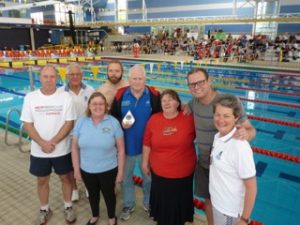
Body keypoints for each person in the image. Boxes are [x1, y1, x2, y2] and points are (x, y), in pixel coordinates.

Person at [185, 68, 256, 225]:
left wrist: (245, 134)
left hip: (225, 167)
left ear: (209, 81)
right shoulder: (193, 103)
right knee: (209, 202)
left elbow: (251, 129)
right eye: (192, 85)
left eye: (200, 82)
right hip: (204, 163)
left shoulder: (228, 101)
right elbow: (184, 108)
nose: (196, 87)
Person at [20, 65, 77, 225]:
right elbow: (27, 124)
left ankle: (68, 206)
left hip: (62, 149)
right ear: (40, 78)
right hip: (39, 151)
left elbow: (69, 122)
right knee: (42, 180)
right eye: (46, 76)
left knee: (66, 178)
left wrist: (53, 142)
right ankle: (44, 209)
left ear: (57, 78)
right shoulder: (30, 98)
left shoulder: (65, 97)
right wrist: (42, 143)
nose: (49, 80)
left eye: (52, 77)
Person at [110, 64, 161, 221]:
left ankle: (148, 203)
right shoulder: (120, 95)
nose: (137, 81)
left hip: (148, 149)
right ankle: (129, 204)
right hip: (126, 148)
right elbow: (112, 118)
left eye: (140, 78)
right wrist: (121, 123)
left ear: (145, 79)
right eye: (134, 78)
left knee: (149, 179)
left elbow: (161, 118)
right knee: (126, 179)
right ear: (129, 79)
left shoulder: (154, 95)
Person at [142, 89, 196, 225]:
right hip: (160, 175)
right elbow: (147, 142)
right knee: (163, 211)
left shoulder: (189, 118)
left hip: (183, 175)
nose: (167, 102)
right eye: (164, 100)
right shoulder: (154, 119)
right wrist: (144, 162)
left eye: (171, 99)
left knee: (179, 213)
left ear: (178, 103)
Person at [71, 92, 125, 225]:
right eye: (94, 104)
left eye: (101, 104)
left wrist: (120, 172)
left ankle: (112, 217)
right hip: (87, 169)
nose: (98, 107)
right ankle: (95, 215)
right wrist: (76, 170)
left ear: (106, 106)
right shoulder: (81, 122)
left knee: (109, 195)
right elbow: (74, 148)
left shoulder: (113, 122)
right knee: (92, 194)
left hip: (109, 168)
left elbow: (121, 149)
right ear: (89, 105)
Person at [210, 94, 257, 225]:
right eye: (217, 115)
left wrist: (244, 219)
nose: (220, 120)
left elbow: (251, 187)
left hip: (229, 212)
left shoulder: (239, 146)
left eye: (226, 116)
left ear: (236, 118)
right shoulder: (218, 137)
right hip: (218, 204)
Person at [58, 63, 94, 201]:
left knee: (87, 162)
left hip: (87, 135)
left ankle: (88, 186)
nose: (75, 77)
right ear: (66, 76)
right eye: (72, 74)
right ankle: (74, 189)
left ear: (82, 75)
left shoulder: (90, 90)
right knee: (70, 166)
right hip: (68, 135)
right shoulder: (61, 92)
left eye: (77, 74)